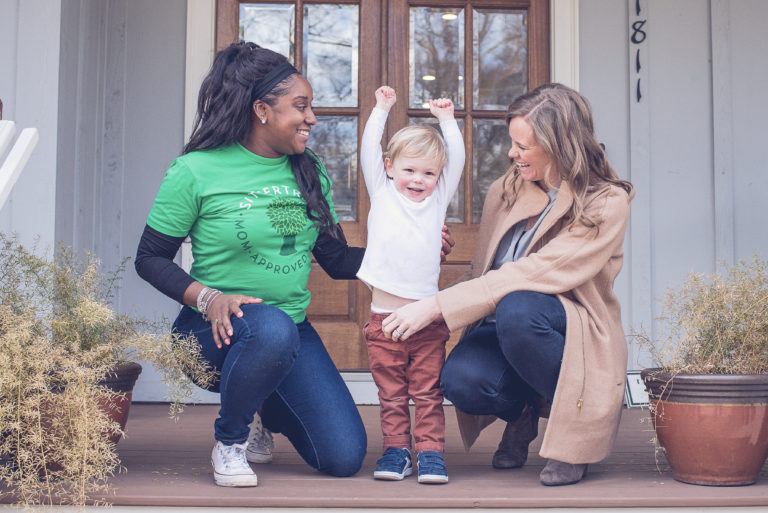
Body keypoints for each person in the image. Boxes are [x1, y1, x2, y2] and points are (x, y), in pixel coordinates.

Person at [135, 42, 453, 488]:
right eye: (300, 106)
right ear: (261, 109)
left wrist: (413, 252)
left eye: (311, 107)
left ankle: (261, 403)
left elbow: (339, 260)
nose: (312, 118)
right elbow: (148, 258)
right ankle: (230, 439)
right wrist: (208, 299)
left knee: (342, 456)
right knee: (268, 326)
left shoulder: (309, 171)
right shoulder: (195, 171)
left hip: (289, 332)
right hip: (211, 331)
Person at [380, 83, 634, 486]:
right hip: (499, 323)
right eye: (512, 143)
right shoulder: (506, 189)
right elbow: (485, 270)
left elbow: (537, 271)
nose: (512, 153)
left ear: (559, 144)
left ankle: (572, 435)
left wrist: (438, 306)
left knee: (520, 306)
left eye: (523, 146)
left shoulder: (605, 202)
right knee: (460, 379)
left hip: (567, 326)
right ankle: (523, 414)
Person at [357, 87, 464, 484]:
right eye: (409, 170)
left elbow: (458, 160)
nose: (418, 179)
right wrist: (381, 110)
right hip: (384, 321)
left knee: (428, 393)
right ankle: (397, 451)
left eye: (428, 173)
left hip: (426, 323)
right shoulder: (383, 195)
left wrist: (448, 121)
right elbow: (369, 146)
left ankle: (431, 453)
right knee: (391, 395)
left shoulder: (436, 204)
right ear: (389, 167)